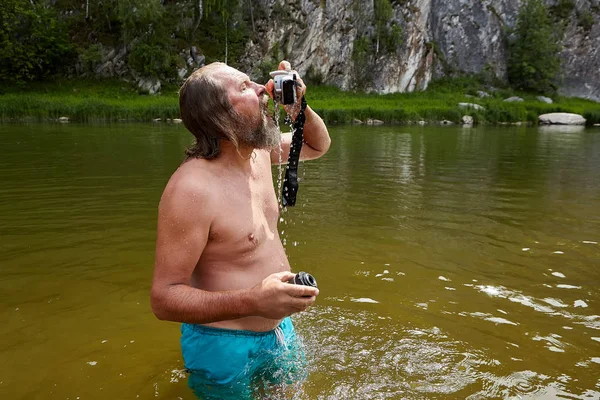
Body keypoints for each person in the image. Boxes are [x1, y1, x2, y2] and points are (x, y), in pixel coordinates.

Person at [150, 60, 330, 399]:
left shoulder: (259, 153)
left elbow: (317, 146)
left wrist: (299, 107)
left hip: (279, 331)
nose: (263, 88)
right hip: (221, 347)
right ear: (219, 115)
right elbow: (163, 300)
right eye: (245, 87)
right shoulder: (191, 189)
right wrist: (253, 301)